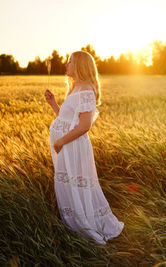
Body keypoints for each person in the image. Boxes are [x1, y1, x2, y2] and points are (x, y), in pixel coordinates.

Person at [44, 51, 124, 245]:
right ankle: (74, 226)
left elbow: (84, 126)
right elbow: (66, 119)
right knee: (68, 183)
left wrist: (60, 141)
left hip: (73, 146)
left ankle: (85, 226)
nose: (66, 65)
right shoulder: (75, 88)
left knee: (76, 183)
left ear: (79, 65)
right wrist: (53, 104)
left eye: (70, 62)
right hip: (66, 145)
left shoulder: (86, 90)